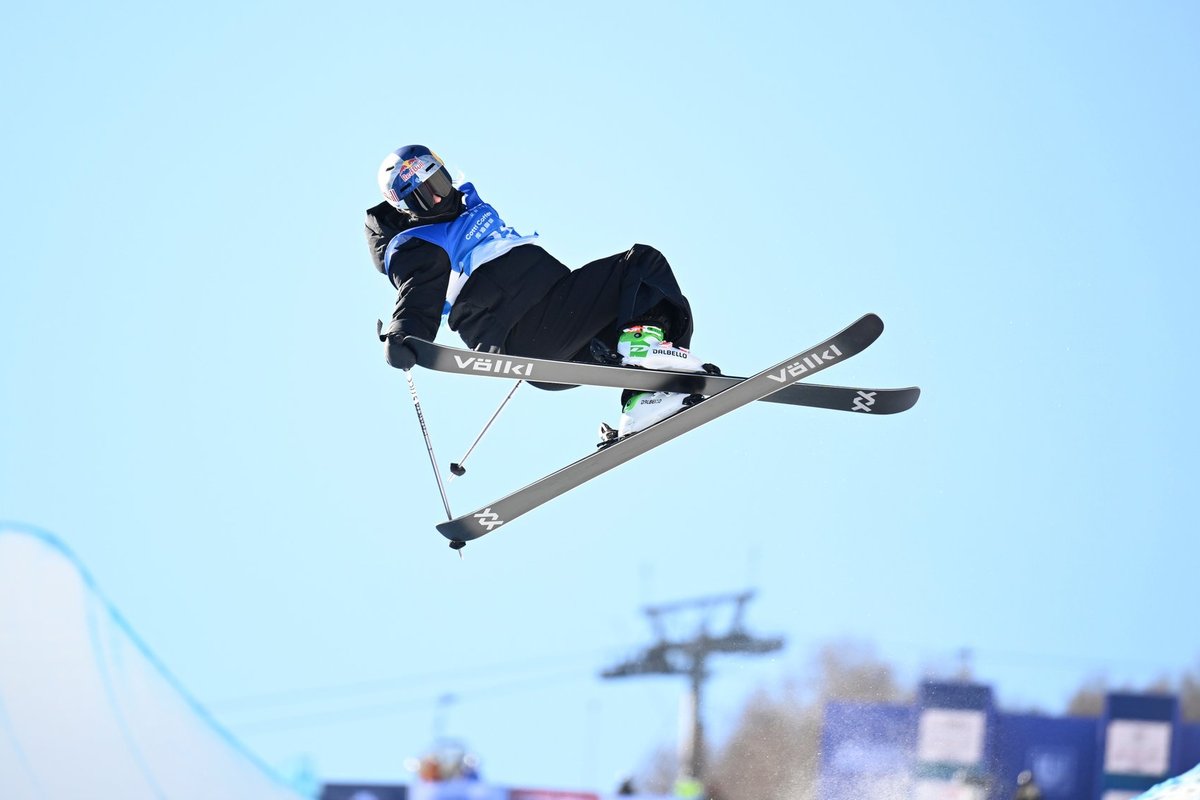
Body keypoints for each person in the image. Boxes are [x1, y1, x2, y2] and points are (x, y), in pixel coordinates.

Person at [365, 144, 715, 440]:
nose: (438, 197)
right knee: (641, 265)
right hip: (529, 328)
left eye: (437, 183)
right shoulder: (419, 246)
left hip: (567, 333)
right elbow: (417, 294)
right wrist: (403, 333)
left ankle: (646, 398)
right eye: (423, 199)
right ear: (406, 212)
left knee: (642, 296)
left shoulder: (466, 203)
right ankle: (644, 356)